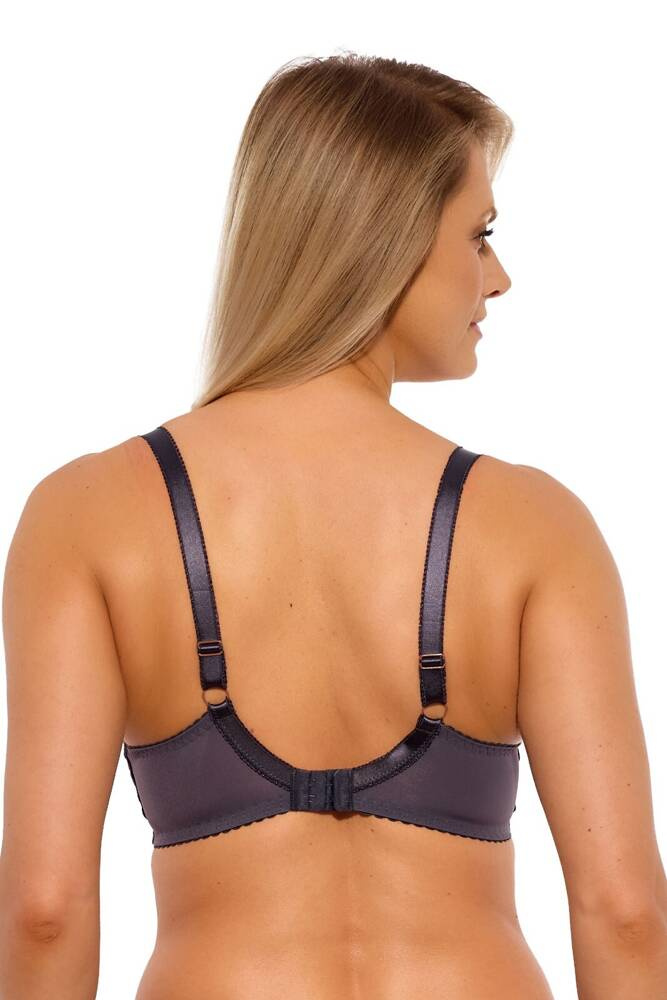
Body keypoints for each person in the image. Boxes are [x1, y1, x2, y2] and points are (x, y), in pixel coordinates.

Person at [1, 52, 666, 1000]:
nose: (499, 277)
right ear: (387, 238)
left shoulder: (89, 516)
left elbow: (44, 912)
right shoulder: (532, 527)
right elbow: (625, 912)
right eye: (478, 236)